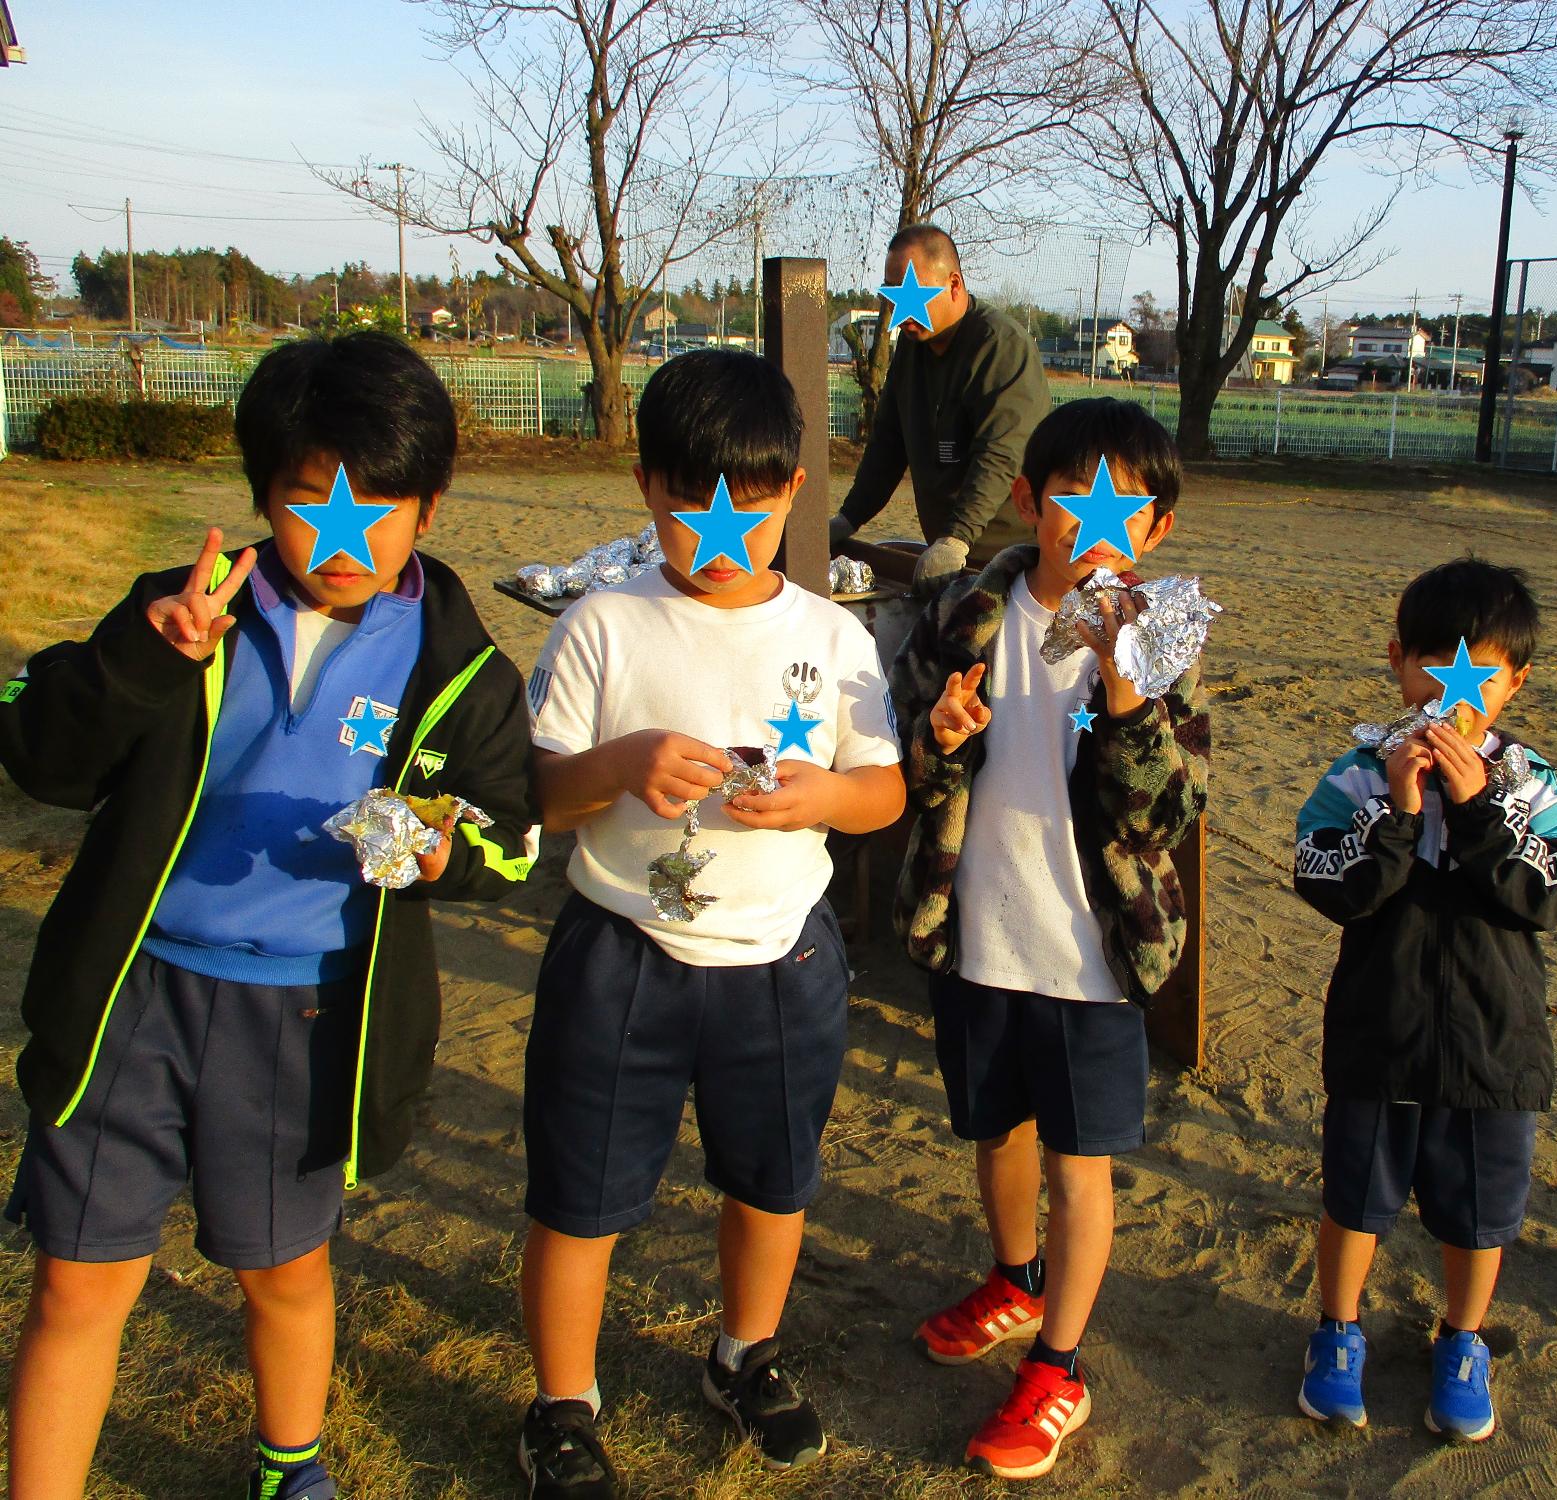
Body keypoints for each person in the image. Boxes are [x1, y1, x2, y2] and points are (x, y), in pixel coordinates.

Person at [0, 331, 540, 1500]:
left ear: (431, 505)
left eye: (382, 502)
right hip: (131, 995)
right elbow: (40, 755)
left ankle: (290, 1465)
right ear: (260, 497)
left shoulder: (462, 669)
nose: (342, 534)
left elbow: (513, 836)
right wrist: (143, 666)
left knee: (284, 1270)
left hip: (306, 1015)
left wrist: (450, 852)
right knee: (78, 1281)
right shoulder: (180, 615)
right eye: (306, 500)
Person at [515, 349, 906, 1492]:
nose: (720, 522)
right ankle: (562, 1402)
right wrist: (625, 765)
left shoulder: (833, 637)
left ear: (790, 491)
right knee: (577, 1197)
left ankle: (745, 1355)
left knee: (770, 1181)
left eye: (753, 494)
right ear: (647, 487)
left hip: (782, 959)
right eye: (691, 497)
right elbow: (540, 793)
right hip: (619, 950)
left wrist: (820, 798)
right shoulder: (602, 624)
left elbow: (880, 790)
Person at [889, 397, 1209, 1480]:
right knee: (998, 1131)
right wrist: (935, 740)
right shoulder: (962, 610)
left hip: (1092, 957)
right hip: (979, 931)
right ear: (1029, 499)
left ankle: (1059, 1366)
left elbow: (1164, 817)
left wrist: (1124, 695)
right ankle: (1014, 1281)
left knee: (1082, 1166)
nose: (1096, 516)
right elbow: (907, 765)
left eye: (1128, 499)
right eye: (1073, 490)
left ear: (1157, 526)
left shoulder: (1164, 642)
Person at [1292, 559, 1557, 1443]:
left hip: (1494, 1047)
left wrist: (1476, 811)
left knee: (1479, 1212)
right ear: (1397, 662)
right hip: (1378, 1036)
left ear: (1515, 682)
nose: (1455, 687)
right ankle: (1337, 1332)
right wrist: (1395, 807)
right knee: (1355, 1197)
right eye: (1434, 662)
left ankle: (1463, 1342)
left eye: (1483, 669)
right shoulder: (1358, 772)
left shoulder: (1532, 782)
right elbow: (1325, 879)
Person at [830, 223, 1051, 593]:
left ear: (953, 284)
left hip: (1013, 558)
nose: (904, 307)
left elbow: (1000, 454)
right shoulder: (912, 347)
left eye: (916, 293)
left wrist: (955, 539)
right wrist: (849, 518)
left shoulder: (999, 346)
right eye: (895, 294)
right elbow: (889, 442)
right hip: (951, 555)